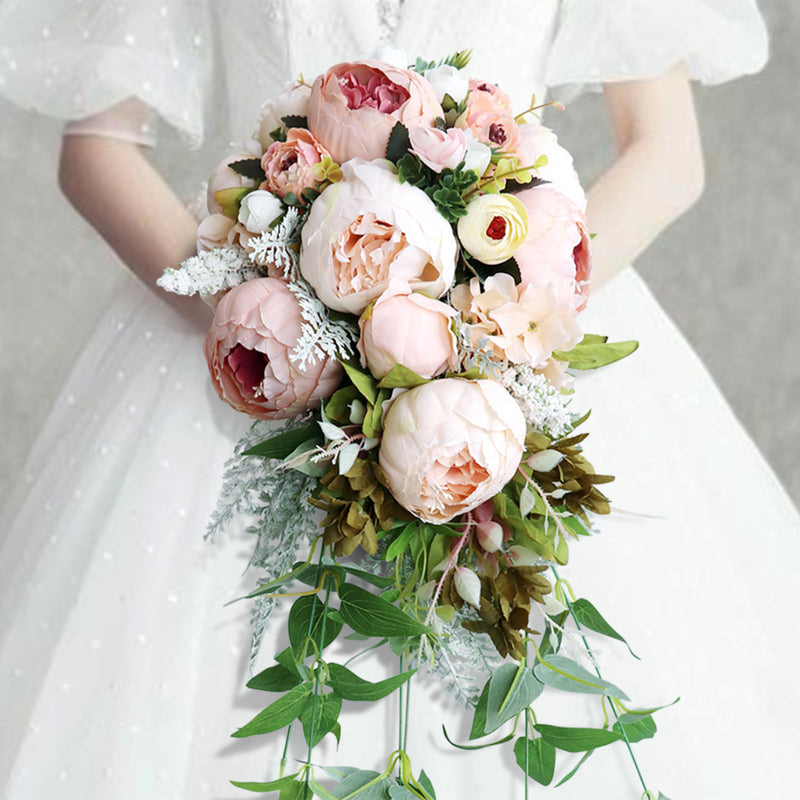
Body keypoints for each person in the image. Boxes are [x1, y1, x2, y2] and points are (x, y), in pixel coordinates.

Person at [1, 1, 797, 798]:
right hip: (248, 339)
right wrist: (275, 325)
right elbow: (97, 150)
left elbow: (668, 153)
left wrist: (502, 321)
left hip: (518, 339)